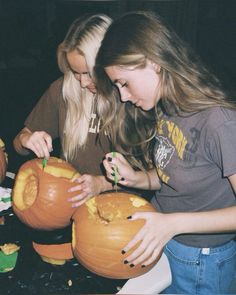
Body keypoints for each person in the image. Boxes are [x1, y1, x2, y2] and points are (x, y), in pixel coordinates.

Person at [95, 11, 236, 294]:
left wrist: (171, 224)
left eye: (124, 82)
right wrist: (136, 178)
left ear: (154, 62)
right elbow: (173, 176)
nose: (123, 96)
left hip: (201, 261)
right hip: (163, 239)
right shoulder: (167, 107)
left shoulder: (219, 121)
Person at [13, 14, 115, 207]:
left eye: (89, 73)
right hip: (68, 204)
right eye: (76, 73)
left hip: (118, 209)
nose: (83, 83)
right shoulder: (61, 90)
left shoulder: (129, 95)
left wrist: (102, 183)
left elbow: (149, 175)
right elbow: (19, 141)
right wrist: (27, 139)